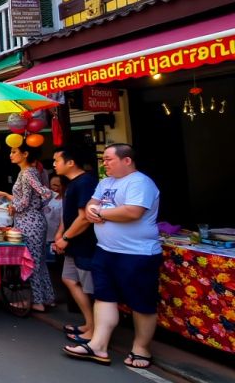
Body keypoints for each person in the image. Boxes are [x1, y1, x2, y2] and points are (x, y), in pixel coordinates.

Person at [65, 144, 161, 369]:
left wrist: (99, 213)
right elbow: (92, 203)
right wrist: (92, 209)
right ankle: (98, 344)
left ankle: (141, 348)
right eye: (104, 159)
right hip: (105, 250)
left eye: (109, 159)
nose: (104, 163)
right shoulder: (106, 182)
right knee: (104, 297)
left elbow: (132, 212)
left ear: (126, 160)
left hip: (136, 254)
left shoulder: (140, 182)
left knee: (141, 303)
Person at [0, 145, 55, 312]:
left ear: (25, 154)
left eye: (14, 152)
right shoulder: (29, 172)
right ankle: (47, 298)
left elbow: (40, 195)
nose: (10, 155)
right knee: (39, 262)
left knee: (31, 262)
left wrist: (16, 208)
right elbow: (27, 198)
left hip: (29, 222)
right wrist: (6, 195)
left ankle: (36, 302)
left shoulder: (27, 173)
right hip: (34, 220)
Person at [53, 147, 99, 345]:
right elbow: (69, 214)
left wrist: (66, 238)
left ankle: (96, 330)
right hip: (72, 242)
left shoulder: (86, 183)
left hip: (85, 243)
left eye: (57, 160)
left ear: (70, 162)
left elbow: (84, 218)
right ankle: (90, 323)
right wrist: (59, 233)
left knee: (91, 289)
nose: (54, 164)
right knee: (69, 279)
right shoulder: (71, 183)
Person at [44, 174, 68, 264]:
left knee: (57, 263)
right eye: (52, 185)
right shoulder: (47, 198)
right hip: (44, 236)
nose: (54, 188)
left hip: (57, 238)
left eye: (57, 185)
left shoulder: (65, 201)